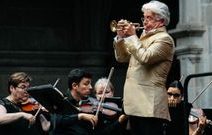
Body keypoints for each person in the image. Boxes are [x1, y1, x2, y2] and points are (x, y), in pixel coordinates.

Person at [113, 1, 175, 135]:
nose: (145, 22)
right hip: (136, 103)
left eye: (149, 18)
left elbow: (146, 57)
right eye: (144, 17)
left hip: (149, 105)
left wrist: (131, 36)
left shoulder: (165, 39)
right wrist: (120, 38)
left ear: (161, 21)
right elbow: (122, 58)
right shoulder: (141, 38)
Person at [53, 68, 98, 135]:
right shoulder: (61, 101)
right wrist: (79, 116)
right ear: (74, 86)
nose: (91, 87)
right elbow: (56, 121)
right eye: (86, 84)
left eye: (90, 84)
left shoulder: (89, 105)